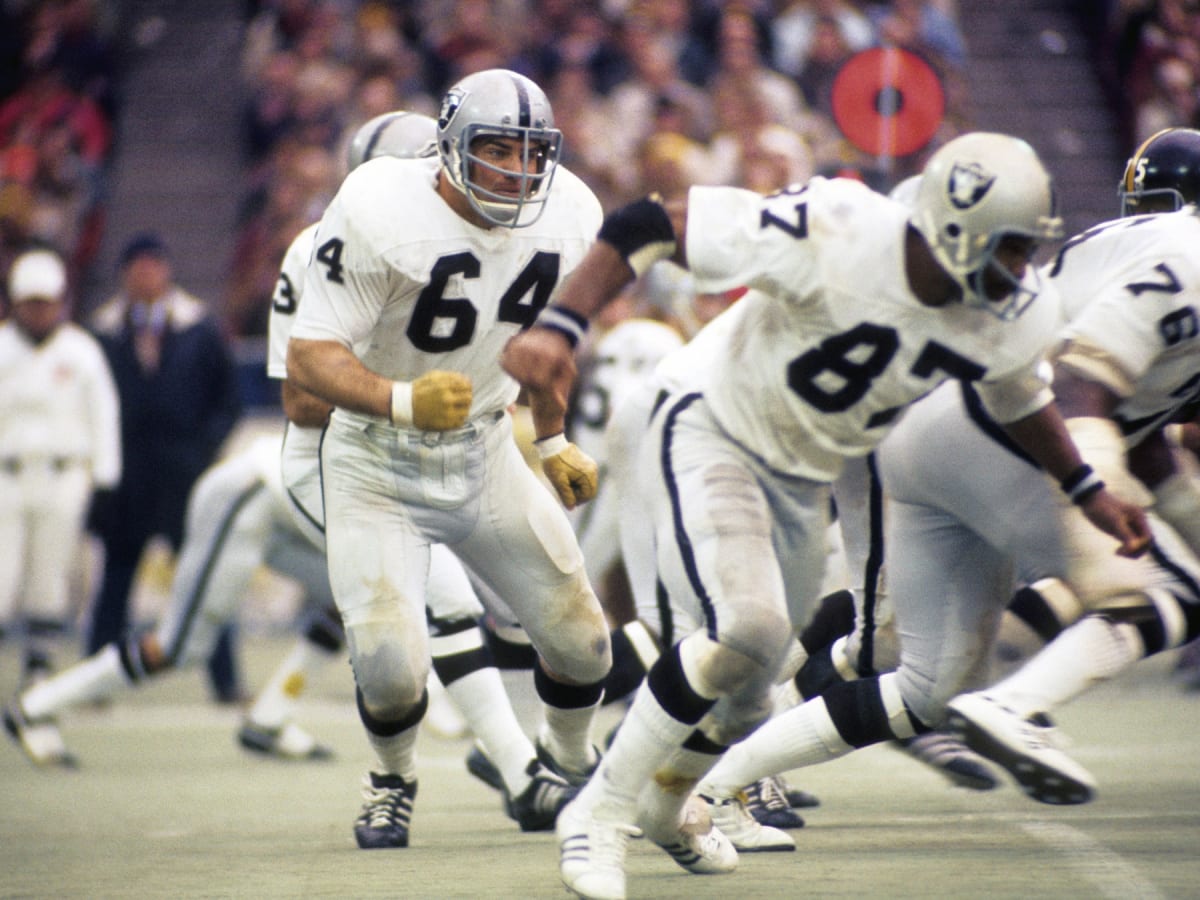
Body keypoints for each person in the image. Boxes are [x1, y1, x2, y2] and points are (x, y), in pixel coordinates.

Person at [500, 131, 1151, 899]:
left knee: (752, 691)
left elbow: (1020, 396)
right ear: (953, 226)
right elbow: (650, 224)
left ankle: (669, 803)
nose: (1021, 272)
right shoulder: (841, 226)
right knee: (747, 627)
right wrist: (562, 325)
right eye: (1008, 249)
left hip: (799, 471)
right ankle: (598, 814)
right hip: (713, 425)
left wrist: (1084, 488)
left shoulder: (1009, 312)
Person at [696, 128, 1200, 829]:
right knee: (1176, 588)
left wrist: (1173, 508)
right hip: (1008, 431)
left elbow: (1148, 438)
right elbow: (1083, 379)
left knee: (924, 683)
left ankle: (713, 784)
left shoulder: (1146, 250)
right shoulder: (1188, 255)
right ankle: (1013, 706)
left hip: (941, 432)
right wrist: (1090, 487)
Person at [285, 70, 614, 852]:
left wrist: (556, 436)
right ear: (451, 147)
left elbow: (547, 344)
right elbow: (308, 359)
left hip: (488, 448)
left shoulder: (570, 211)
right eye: (497, 149)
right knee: (395, 668)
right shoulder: (378, 208)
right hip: (373, 460)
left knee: (582, 644)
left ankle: (568, 766)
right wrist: (399, 401)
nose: (518, 170)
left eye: (533, 153)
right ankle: (391, 779)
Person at [86, 232, 243, 701]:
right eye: (137, 267)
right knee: (114, 584)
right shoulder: (104, 331)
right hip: (126, 476)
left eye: (154, 265)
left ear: (167, 270)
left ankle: (226, 681)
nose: (146, 275)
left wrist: (202, 450)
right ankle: (95, 684)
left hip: (183, 476)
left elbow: (228, 400)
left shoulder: (199, 327)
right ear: (124, 275)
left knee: (205, 582)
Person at [0, 247, 119, 685]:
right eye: (31, 301)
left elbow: (103, 415)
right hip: (7, 475)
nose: (38, 310)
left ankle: (39, 668)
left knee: (49, 576)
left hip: (63, 473)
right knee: (2, 575)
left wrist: (105, 479)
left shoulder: (81, 351)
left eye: (45, 301)